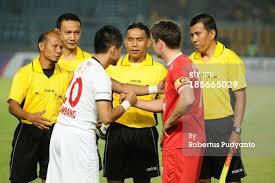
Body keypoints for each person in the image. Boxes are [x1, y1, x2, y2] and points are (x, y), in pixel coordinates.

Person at [46, 25, 137, 183]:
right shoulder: (100, 75)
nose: (121, 54)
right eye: (121, 50)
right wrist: (128, 103)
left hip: (60, 132)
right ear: (113, 49)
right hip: (79, 139)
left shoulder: (85, 65)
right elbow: (106, 117)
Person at [135, 20, 205, 183]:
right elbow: (168, 104)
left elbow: (187, 99)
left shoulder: (178, 66)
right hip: (191, 139)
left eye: (152, 41)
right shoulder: (186, 64)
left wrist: (168, 123)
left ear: (160, 43)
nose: (151, 45)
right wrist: (135, 102)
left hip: (180, 140)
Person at [104, 22, 167, 183]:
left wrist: (166, 131)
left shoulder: (159, 70)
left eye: (139, 39)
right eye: (130, 39)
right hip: (117, 132)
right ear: (125, 42)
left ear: (148, 42)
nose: (134, 44)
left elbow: (165, 105)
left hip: (145, 133)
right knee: (115, 180)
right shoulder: (112, 67)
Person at [189, 13, 247, 183]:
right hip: (198, 128)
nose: (194, 39)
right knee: (202, 179)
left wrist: (236, 131)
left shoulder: (230, 59)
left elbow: (241, 98)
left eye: (198, 34)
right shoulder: (190, 61)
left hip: (223, 127)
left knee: (231, 179)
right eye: (191, 35)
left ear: (212, 33)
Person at [7, 30, 70, 183]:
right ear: (42, 46)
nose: (59, 51)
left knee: (50, 178)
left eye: (61, 47)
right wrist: (30, 117)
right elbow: (12, 106)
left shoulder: (67, 75)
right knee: (19, 179)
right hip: (27, 132)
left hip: (54, 133)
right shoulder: (25, 73)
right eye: (55, 46)